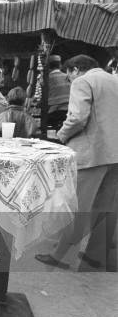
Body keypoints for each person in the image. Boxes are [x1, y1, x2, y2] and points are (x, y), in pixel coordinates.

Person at [35, 55, 118, 271]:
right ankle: (96, 256)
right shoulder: (114, 80)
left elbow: (78, 117)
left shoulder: (83, 82)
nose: (70, 82)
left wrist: (61, 136)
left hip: (92, 153)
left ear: (74, 70)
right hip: (115, 154)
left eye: (68, 77)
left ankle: (61, 256)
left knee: (78, 206)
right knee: (106, 207)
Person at [46, 55, 71, 130]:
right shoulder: (68, 77)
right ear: (60, 65)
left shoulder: (46, 78)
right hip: (68, 112)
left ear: (48, 67)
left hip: (53, 112)